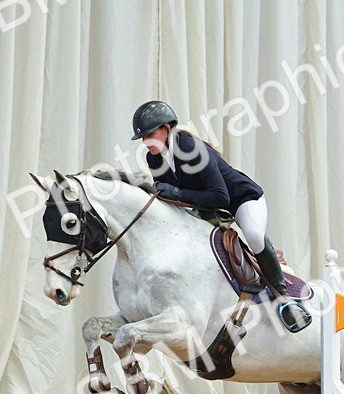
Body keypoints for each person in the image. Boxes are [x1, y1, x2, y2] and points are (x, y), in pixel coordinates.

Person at [131, 100, 311, 333]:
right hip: (206, 209)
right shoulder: (153, 159)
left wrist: (178, 193)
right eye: (143, 138)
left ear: (167, 128)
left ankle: (284, 299)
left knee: (255, 236)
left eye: (150, 135)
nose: (146, 142)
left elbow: (221, 196)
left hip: (241, 200)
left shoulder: (191, 149)